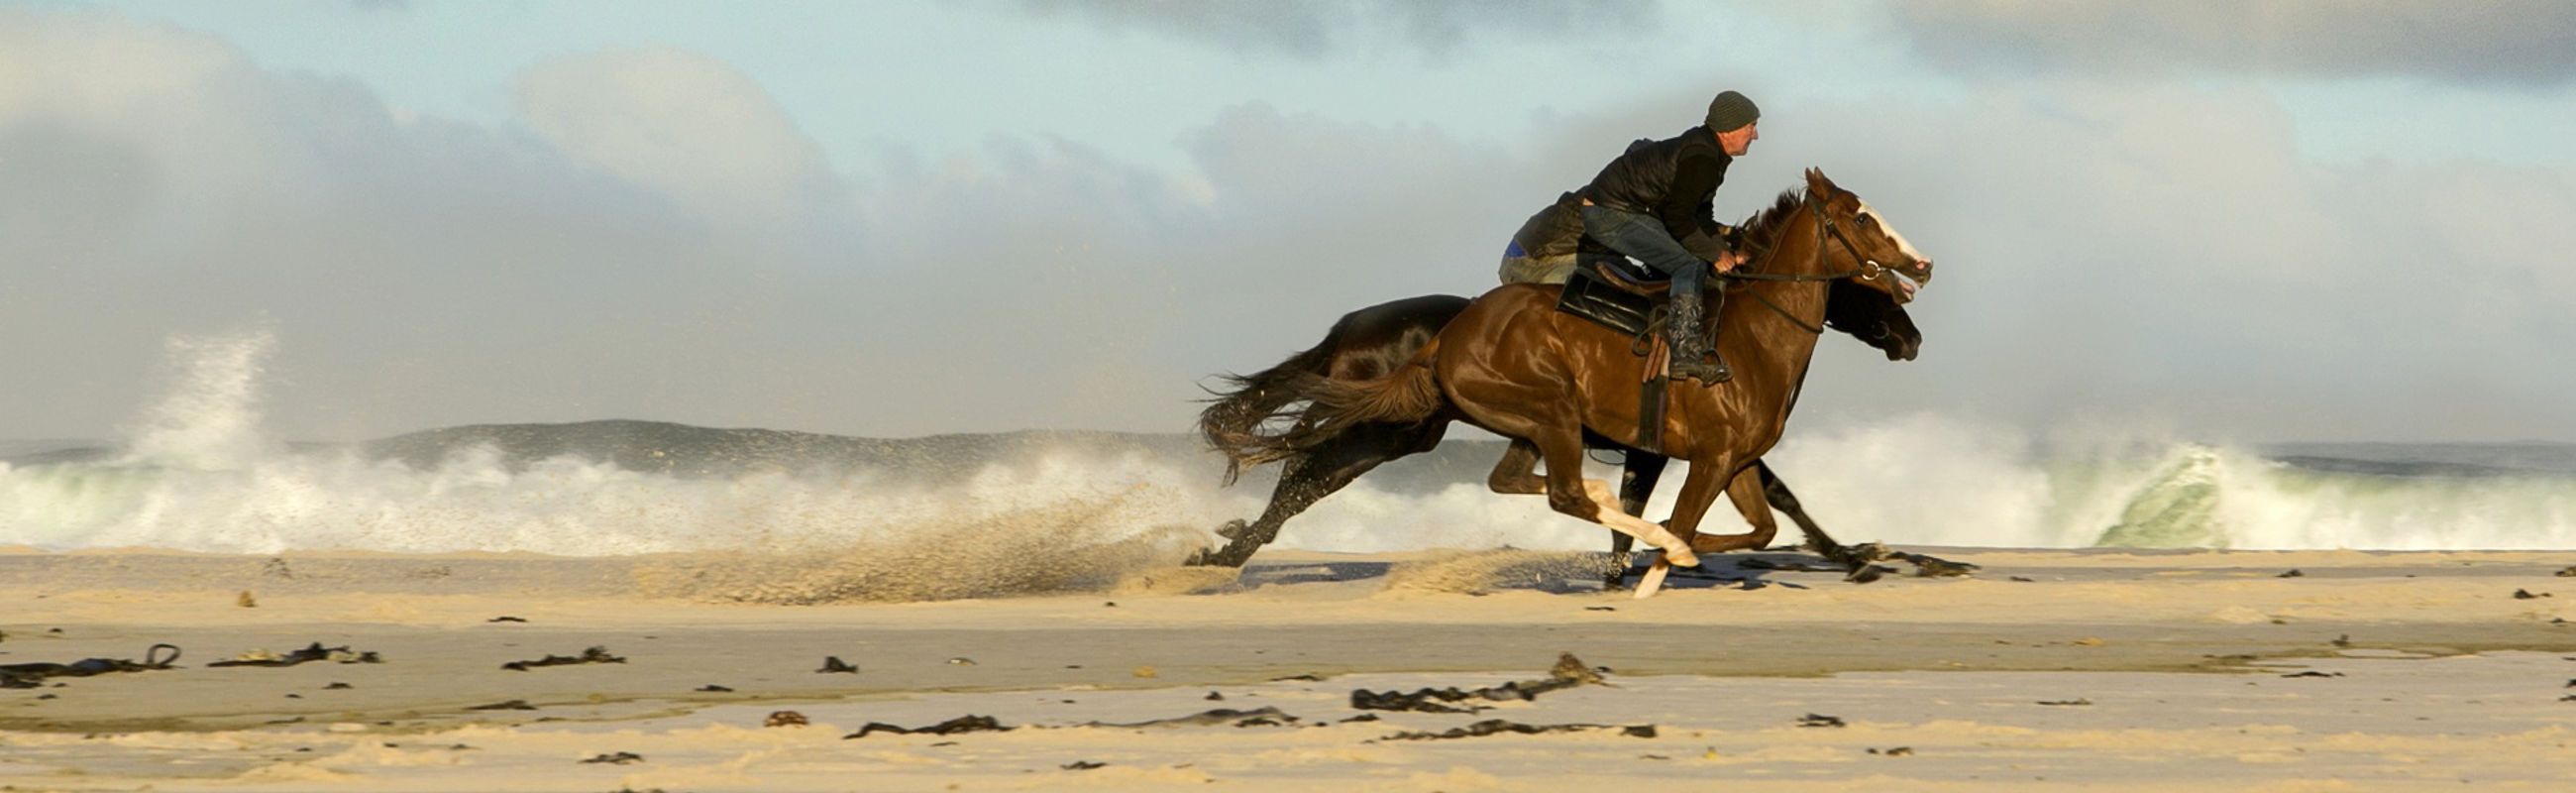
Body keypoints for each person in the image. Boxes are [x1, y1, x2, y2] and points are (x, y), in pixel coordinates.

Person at [1499, 90, 1760, 384]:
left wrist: (1723, 246)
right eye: (1751, 126)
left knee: (1649, 275)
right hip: (1531, 261)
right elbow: (1679, 220)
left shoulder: (1698, 163)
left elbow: (1696, 216)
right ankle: (1673, 357)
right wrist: (1715, 253)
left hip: (1581, 245)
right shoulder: (1684, 167)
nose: (1756, 135)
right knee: (1676, 270)